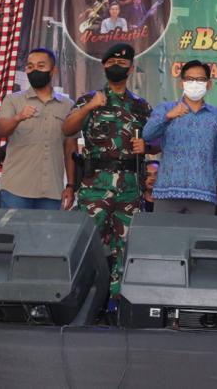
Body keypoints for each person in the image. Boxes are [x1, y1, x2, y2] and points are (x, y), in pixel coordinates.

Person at [62, 42, 153, 298]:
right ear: (103, 66)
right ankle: (85, 299)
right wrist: (90, 107)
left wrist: (147, 146)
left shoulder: (141, 105)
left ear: (131, 68)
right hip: (95, 186)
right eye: (111, 63)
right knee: (88, 243)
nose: (116, 67)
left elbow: (157, 141)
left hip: (129, 187)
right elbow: (67, 129)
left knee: (127, 247)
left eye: (122, 63)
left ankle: (117, 302)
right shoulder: (88, 99)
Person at [0, 48, 78, 210]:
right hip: (16, 189)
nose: (34, 71)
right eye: (30, 66)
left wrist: (70, 185)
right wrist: (18, 117)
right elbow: (1, 131)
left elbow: (70, 148)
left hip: (51, 191)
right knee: (14, 228)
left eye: (41, 66)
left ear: (53, 70)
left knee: (47, 228)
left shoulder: (67, 105)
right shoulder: (13, 100)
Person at [143, 60, 217, 214]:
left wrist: (208, 182)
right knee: (162, 231)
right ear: (181, 83)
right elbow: (147, 135)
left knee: (200, 231)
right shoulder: (165, 108)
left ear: (209, 84)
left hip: (203, 195)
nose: (195, 84)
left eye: (200, 80)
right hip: (167, 192)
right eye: (189, 79)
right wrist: (168, 117)